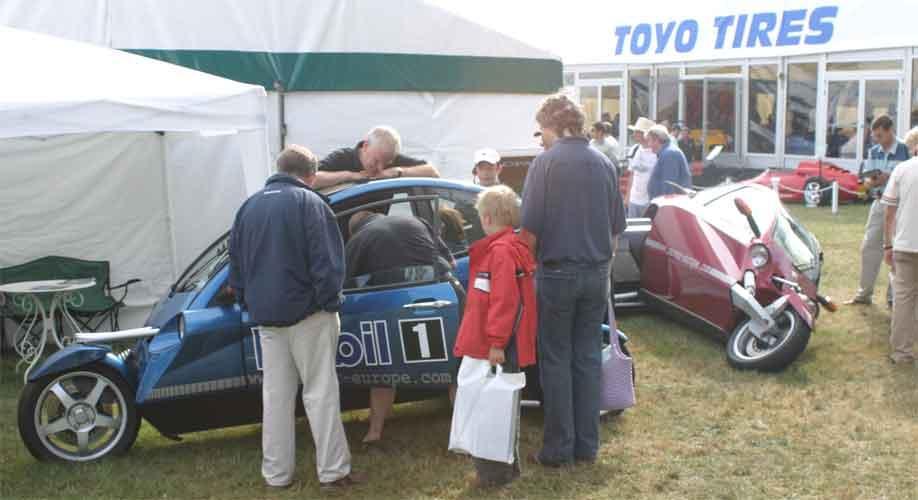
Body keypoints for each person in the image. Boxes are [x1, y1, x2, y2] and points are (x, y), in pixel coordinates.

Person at [228, 145, 363, 491]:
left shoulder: (249, 207)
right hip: (309, 315)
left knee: (275, 398)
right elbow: (329, 263)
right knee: (320, 393)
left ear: (279, 169)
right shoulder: (312, 204)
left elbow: (236, 267)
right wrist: (328, 302)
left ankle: (277, 475)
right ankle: (333, 472)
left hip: (266, 319)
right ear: (311, 175)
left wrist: (249, 302)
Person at [520, 94, 626, 467]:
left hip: (557, 273)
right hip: (597, 272)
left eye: (541, 130)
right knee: (586, 359)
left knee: (556, 360)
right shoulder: (604, 163)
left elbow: (529, 230)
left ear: (552, 125)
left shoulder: (545, 164)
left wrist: (523, 271)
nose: (541, 137)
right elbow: (616, 231)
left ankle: (558, 448)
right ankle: (587, 445)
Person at [345, 211, 455, 444]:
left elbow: (343, 283)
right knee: (456, 366)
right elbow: (451, 261)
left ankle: (374, 433)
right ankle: (463, 431)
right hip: (441, 295)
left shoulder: (360, 238)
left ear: (353, 230)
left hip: (395, 304)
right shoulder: (414, 219)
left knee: (384, 370)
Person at [453, 185, 537, 487]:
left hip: (493, 345)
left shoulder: (499, 252)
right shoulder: (512, 246)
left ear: (487, 217)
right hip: (500, 343)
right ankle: (506, 467)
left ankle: (492, 474)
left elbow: (503, 302)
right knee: (504, 404)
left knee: (487, 406)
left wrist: (496, 343)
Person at [847, 115, 911, 306]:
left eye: (880, 136)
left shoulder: (906, 150)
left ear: (890, 130)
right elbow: (865, 184)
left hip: (901, 206)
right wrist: (869, 183)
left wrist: (890, 177)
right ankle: (864, 294)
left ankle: (894, 298)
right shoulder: (873, 151)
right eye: (875, 136)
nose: (877, 140)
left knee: (897, 250)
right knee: (869, 247)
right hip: (878, 202)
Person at [881, 127, 918, 365]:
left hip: (905, 244)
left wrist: (887, 245)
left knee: (903, 298)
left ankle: (902, 352)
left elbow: (889, 212)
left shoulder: (902, 169)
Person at [315, 126, 440, 189]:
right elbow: (309, 180)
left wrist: (397, 172)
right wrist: (349, 176)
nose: (380, 168)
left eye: (386, 163)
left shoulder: (390, 160)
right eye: (376, 161)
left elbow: (433, 173)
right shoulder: (342, 158)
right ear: (365, 146)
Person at [646, 124, 692, 200]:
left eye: (649, 140)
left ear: (657, 139)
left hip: (667, 206)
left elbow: (669, 188)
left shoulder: (669, 154)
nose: (648, 144)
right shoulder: (667, 152)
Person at [625, 117, 658, 218]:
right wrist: (628, 196)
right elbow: (632, 174)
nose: (633, 134)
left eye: (636, 132)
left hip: (649, 201)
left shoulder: (657, 152)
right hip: (634, 200)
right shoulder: (636, 149)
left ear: (645, 134)